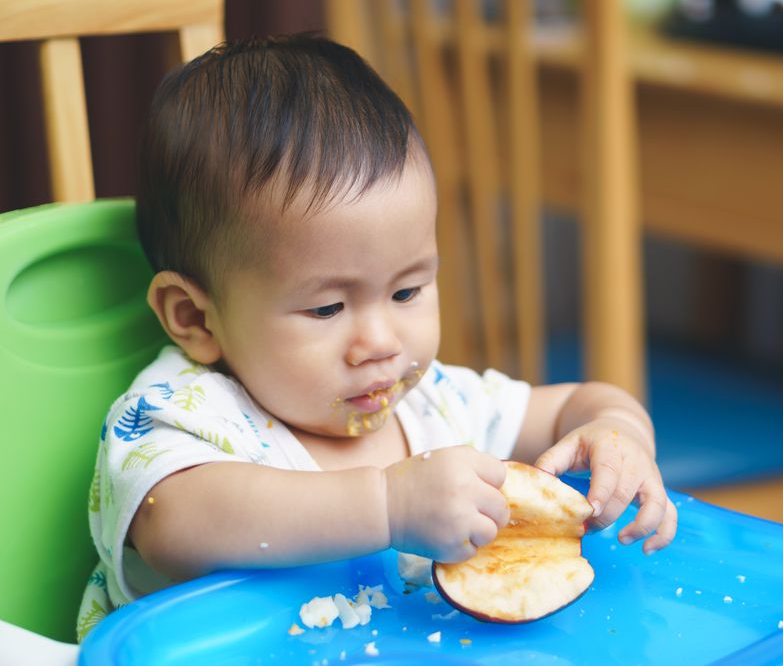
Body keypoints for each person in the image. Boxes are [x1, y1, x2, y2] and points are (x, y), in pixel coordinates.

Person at [77, 34, 676, 640]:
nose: (381, 342)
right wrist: (388, 508)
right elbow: (174, 527)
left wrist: (619, 434)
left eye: (407, 292)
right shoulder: (181, 415)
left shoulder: (435, 404)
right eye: (328, 307)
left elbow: (577, 405)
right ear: (195, 318)